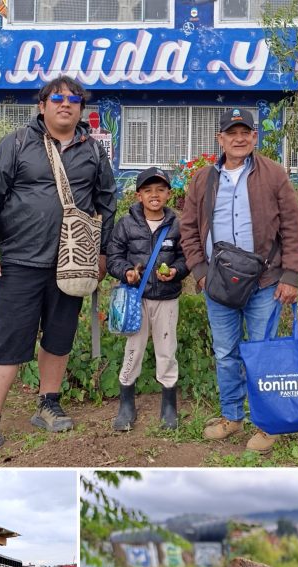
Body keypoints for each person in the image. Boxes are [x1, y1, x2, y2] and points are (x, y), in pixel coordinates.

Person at [0, 75, 116, 464]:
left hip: (72, 263)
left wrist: (103, 253)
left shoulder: (93, 152)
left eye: (74, 99)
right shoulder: (17, 143)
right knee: (7, 340)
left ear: (81, 108)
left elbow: (106, 202)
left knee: (59, 336)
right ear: (42, 106)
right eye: (57, 98)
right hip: (22, 259)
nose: (66, 104)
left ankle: (48, 404)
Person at [178, 108, 298, 453]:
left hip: (265, 281)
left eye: (244, 132)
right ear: (220, 139)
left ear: (254, 137)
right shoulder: (203, 179)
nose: (238, 138)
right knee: (225, 353)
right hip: (218, 284)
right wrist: (199, 271)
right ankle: (231, 417)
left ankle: (266, 424)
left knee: (261, 354)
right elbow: (188, 227)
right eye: (231, 133)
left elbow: (292, 228)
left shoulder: (273, 174)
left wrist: (290, 275)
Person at [106, 166, 189, 431]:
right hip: (136, 300)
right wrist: (126, 272)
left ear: (168, 194)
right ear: (139, 195)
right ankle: (126, 405)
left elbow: (186, 257)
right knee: (133, 350)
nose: (154, 195)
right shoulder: (126, 224)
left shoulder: (177, 225)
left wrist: (175, 272)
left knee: (167, 351)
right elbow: (114, 257)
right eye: (148, 190)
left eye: (160, 190)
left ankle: (169, 407)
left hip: (166, 299)